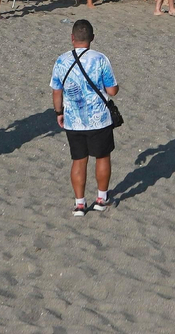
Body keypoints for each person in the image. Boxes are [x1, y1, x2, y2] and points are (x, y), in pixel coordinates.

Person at [52, 19, 119, 216]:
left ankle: (79, 204)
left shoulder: (61, 60)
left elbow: (56, 91)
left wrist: (59, 113)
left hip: (73, 120)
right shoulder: (100, 59)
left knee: (78, 160)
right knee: (102, 156)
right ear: (92, 38)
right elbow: (112, 91)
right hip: (99, 119)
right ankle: (101, 198)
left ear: (72, 38)